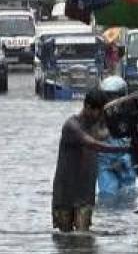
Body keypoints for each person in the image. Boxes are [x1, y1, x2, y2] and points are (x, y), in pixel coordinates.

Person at [51, 89, 129, 232]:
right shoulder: (72, 126)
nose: (100, 116)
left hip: (85, 194)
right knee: (64, 239)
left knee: (84, 239)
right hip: (65, 194)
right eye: (98, 111)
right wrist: (124, 149)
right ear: (87, 107)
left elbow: (107, 134)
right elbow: (93, 144)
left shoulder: (96, 125)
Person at [97, 77, 137, 200]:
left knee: (129, 193)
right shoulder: (98, 116)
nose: (109, 101)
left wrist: (125, 160)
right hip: (106, 165)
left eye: (112, 96)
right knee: (108, 195)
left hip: (127, 163)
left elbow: (136, 141)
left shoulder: (132, 114)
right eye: (106, 97)